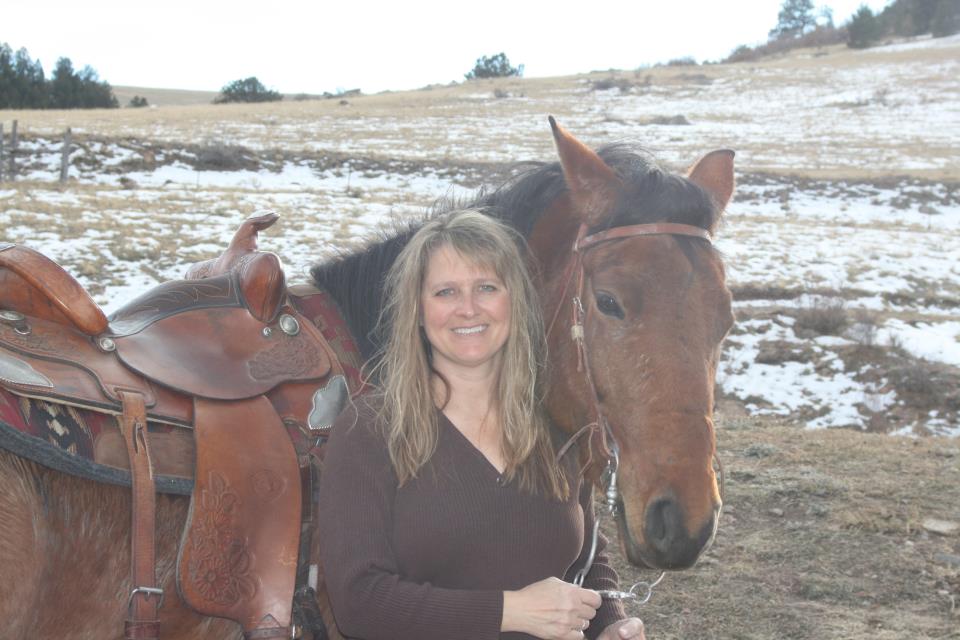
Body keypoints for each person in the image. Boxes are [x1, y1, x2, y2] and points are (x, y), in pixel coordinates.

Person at [317, 209, 646, 640]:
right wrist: (509, 612)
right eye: (445, 292)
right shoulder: (370, 431)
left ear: (515, 300)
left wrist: (612, 621)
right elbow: (360, 602)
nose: (467, 308)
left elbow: (586, 557)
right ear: (416, 310)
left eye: (486, 287)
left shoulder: (556, 424)